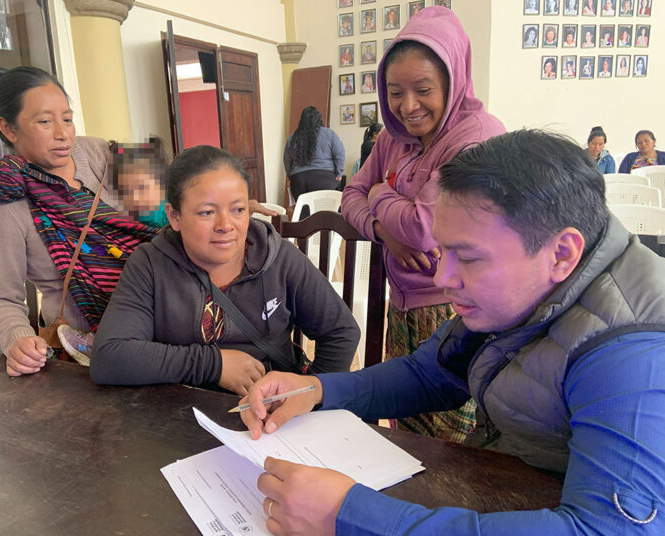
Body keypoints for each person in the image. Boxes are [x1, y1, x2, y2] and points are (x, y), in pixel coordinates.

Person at [241, 129, 665, 536]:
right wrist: (316, 390)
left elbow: (609, 529)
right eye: (442, 251)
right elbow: (430, 373)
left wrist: (351, 517)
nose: (443, 277)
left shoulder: (634, 354)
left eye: (469, 257)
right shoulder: (531, 291)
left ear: (561, 253)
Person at [341, 6, 505, 443]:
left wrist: (379, 193)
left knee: (455, 443)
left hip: (458, 311)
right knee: (407, 434)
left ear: (453, 80)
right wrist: (383, 232)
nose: (408, 106)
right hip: (402, 305)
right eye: (395, 92)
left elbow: (424, 228)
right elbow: (349, 196)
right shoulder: (392, 138)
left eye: (423, 89)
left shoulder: (476, 136)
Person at [90, 145, 359, 395]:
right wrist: (213, 364)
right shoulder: (150, 264)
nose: (226, 225)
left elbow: (341, 332)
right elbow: (110, 357)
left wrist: (309, 397)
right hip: (178, 417)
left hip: (269, 418)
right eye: (207, 213)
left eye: (238, 209)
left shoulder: (280, 259)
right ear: (174, 216)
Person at [0, 66, 159, 376]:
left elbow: (163, 211)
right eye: (45, 122)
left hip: (161, 320)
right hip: (85, 354)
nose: (63, 134)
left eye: (67, 119)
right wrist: (18, 339)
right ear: (8, 129)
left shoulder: (101, 153)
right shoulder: (5, 203)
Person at [284, 106, 345, 204]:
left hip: (299, 181)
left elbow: (287, 160)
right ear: (319, 119)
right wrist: (339, 173)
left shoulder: (293, 137)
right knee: (324, 210)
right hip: (325, 180)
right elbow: (340, 154)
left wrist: (291, 176)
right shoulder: (330, 134)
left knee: (304, 210)